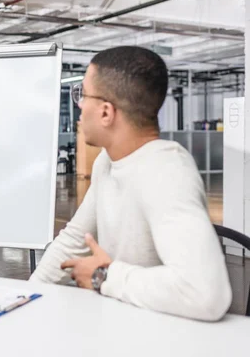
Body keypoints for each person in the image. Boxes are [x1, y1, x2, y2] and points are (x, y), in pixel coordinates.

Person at [30, 46, 232, 321]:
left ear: (105, 113)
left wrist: (104, 276)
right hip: (122, 322)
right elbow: (73, 241)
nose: (78, 104)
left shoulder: (166, 171)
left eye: (83, 94)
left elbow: (205, 293)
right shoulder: (107, 161)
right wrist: (27, 300)